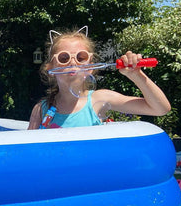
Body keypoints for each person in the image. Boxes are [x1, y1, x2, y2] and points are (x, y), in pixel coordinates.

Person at [28, 26, 171, 129]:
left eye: (81, 57)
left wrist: (137, 75)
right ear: (51, 68)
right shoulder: (41, 109)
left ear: (90, 67)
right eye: (63, 58)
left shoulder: (99, 99)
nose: (73, 62)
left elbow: (160, 109)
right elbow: (28, 151)